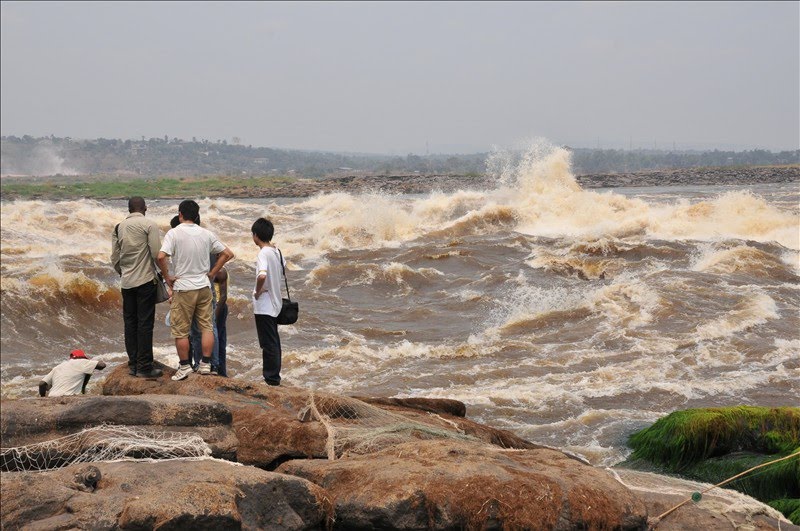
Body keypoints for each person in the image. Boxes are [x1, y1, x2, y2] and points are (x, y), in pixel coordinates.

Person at [158, 200, 234, 381]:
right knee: (206, 326)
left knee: (181, 330)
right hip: (204, 286)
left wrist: (168, 277)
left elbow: (161, 256)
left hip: (184, 287)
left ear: (180, 215)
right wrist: (212, 273)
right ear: (197, 215)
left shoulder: (174, 233)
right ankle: (206, 364)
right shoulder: (206, 233)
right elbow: (228, 254)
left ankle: (185, 367)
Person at [111, 196, 163, 378]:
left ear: (129, 209)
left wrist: (123, 272)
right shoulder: (149, 225)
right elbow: (157, 253)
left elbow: (115, 259)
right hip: (145, 281)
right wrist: (166, 274)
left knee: (130, 323)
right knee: (145, 324)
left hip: (126, 283)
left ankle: (133, 363)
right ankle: (144, 366)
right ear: (145, 208)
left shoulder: (118, 227)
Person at [251, 217, 286, 386]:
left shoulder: (263, 253)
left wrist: (257, 291)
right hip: (276, 303)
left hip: (264, 304)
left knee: (268, 343)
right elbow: (282, 271)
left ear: (256, 235)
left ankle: (271, 378)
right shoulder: (276, 251)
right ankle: (274, 376)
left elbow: (262, 275)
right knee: (274, 341)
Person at [39, 349, 107, 397]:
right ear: (83, 358)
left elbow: (42, 384)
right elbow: (102, 365)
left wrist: (43, 398)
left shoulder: (58, 367)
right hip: (68, 397)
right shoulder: (82, 362)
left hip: (52, 396)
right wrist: (90, 363)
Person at [214, 265, 229, 377]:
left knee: (217, 339)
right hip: (216, 306)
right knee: (219, 338)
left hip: (219, 307)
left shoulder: (220, 271)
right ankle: (220, 370)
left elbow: (223, 296)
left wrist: (215, 315)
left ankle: (219, 370)